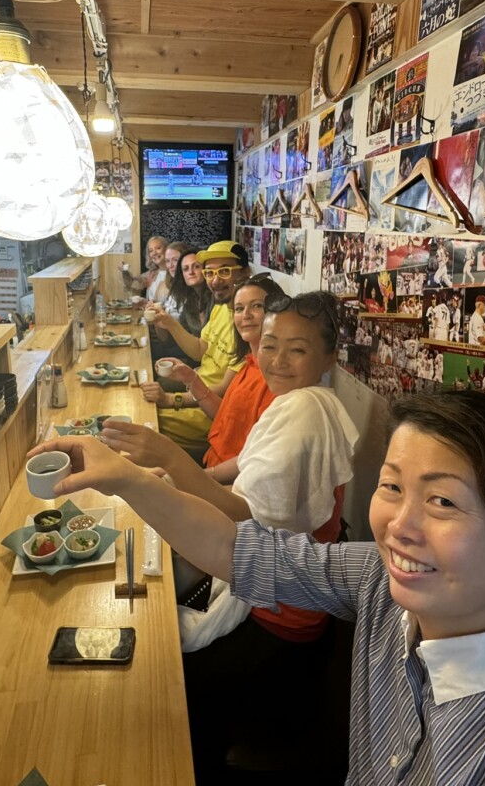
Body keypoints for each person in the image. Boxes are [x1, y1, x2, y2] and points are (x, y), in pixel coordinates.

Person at [31, 391, 485, 784]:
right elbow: (244, 551)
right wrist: (128, 480)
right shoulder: (381, 582)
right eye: (392, 487)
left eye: (443, 501)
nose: (400, 526)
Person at [102, 291, 359, 780]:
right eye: (271, 344)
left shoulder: (305, 411)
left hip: (279, 617)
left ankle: (190, 767)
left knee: (174, 681)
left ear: (328, 357)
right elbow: (240, 468)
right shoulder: (294, 402)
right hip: (266, 588)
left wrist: (171, 459)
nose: (278, 360)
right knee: (162, 606)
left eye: (298, 350)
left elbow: (244, 517)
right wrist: (178, 476)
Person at [146, 241, 250, 455]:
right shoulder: (221, 309)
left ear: (244, 274)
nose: (216, 280)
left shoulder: (247, 325)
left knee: (144, 424)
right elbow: (199, 350)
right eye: (210, 273)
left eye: (225, 271)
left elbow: (222, 391)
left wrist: (171, 399)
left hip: (210, 412)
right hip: (195, 391)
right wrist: (169, 323)